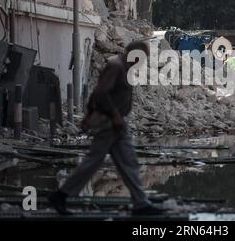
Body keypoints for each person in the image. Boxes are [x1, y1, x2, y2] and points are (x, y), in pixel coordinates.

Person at [48, 41, 163, 215]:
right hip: (110, 123)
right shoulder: (116, 66)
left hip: (118, 124)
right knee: (95, 162)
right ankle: (62, 195)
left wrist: (90, 116)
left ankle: (140, 203)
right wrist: (109, 115)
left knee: (128, 162)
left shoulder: (125, 68)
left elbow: (98, 93)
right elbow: (100, 92)